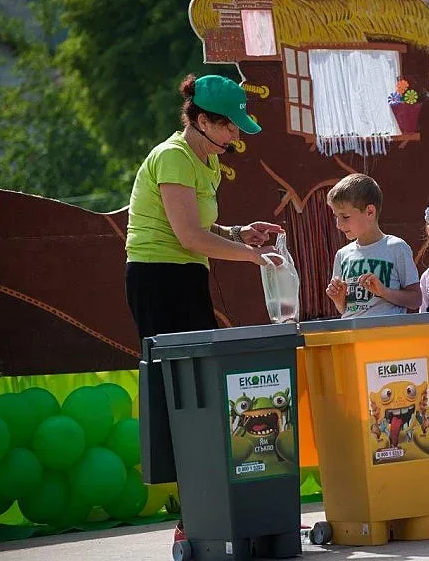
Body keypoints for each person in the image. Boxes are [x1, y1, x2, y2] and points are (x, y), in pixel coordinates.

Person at [125, 73, 282, 547]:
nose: (236, 136)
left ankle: (213, 511)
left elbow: (200, 230)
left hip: (185, 278)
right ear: (200, 121)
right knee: (183, 401)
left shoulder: (204, 160)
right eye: (230, 127)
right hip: (157, 281)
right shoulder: (173, 157)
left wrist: (239, 234)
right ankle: (192, 518)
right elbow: (189, 237)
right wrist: (254, 257)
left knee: (205, 398)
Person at [325, 173, 421, 317]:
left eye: (345, 217)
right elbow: (345, 309)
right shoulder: (342, 255)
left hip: (387, 336)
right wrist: (338, 300)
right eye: (336, 216)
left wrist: (383, 292)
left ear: (370, 212)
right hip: (353, 335)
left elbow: (416, 299)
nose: (338, 225)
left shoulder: (397, 248)